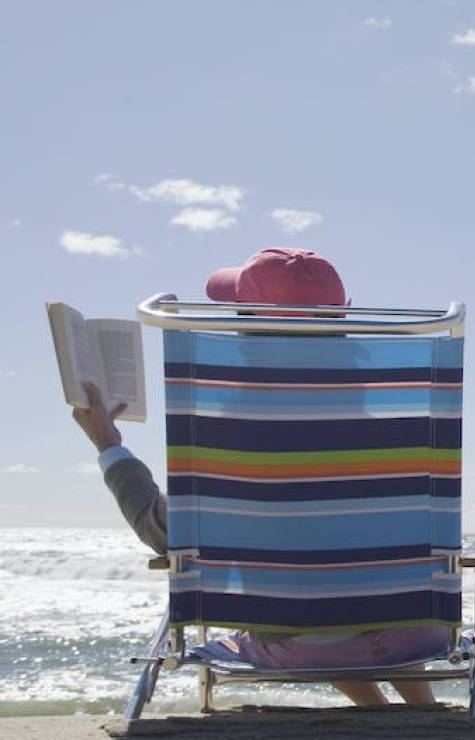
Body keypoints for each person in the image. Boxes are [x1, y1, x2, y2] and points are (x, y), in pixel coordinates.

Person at [73, 248, 446, 707]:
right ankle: (417, 708)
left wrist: (109, 445)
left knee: (305, 610)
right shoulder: (400, 424)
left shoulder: (228, 437)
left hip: (301, 647)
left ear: (245, 328)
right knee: (364, 587)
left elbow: (164, 533)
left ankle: (376, 708)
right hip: (415, 636)